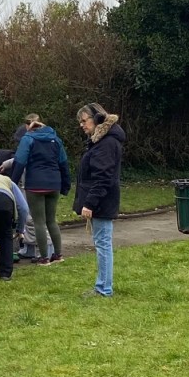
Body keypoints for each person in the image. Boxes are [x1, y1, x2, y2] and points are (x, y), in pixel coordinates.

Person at [74, 103, 126, 297]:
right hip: (101, 200)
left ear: (96, 120)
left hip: (102, 202)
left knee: (103, 244)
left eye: (84, 121)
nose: (82, 125)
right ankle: (103, 286)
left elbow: (103, 177)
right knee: (102, 243)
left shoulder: (106, 144)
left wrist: (90, 203)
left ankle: (104, 288)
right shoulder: (100, 142)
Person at [10, 114, 70, 265]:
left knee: (39, 222)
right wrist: (65, 185)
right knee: (51, 220)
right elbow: (63, 163)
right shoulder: (56, 139)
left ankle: (44, 258)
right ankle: (58, 255)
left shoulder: (28, 139)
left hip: (35, 184)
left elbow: (20, 161)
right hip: (54, 183)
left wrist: (12, 183)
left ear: (28, 127)